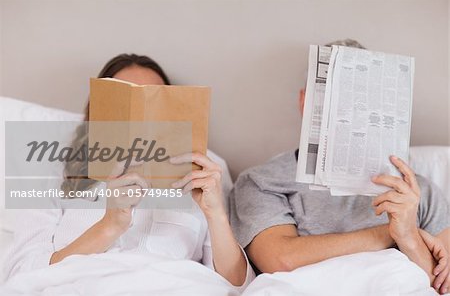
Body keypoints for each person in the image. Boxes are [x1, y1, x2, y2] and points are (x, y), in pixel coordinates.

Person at [4, 54, 254, 289]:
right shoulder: (55, 172)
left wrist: (215, 214)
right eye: (123, 104)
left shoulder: (204, 175)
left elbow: (237, 286)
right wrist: (110, 224)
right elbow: (22, 273)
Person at [229, 40, 450, 294]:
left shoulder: (419, 191)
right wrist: (389, 234)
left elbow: (441, 285)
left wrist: (410, 237)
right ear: (306, 103)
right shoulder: (262, 181)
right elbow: (281, 261)